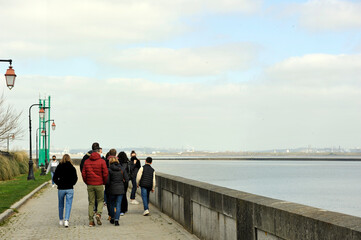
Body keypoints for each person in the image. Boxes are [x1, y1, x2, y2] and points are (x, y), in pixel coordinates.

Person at [82, 146, 108, 227]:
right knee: (100, 200)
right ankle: (98, 214)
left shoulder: (86, 161)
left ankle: (90, 221)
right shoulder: (102, 161)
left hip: (90, 184)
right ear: (98, 152)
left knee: (91, 202)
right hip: (99, 184)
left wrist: (87, 182)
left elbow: (83, 174)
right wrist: (104, 182)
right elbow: (105, 173)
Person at [53, 154, 78, 228]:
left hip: (61, 188)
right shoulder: (72, 167)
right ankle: (66, 220)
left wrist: (58, 183)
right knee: (68, 204)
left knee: (61, 204)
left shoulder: (59, 166)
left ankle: (61, 219)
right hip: (69, 188)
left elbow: (55, 177)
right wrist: (72, 184)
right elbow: (75, 178)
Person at [107, 157, 129, 226]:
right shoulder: (122, 169)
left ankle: (112, 218)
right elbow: (127, 179)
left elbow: (107, 181)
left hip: (112, 189)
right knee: (118, 204)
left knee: (112, 204)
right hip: (120, 189)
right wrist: (123, 185)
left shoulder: (109, 170)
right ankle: (117, 220)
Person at [117, 151, 130, 216]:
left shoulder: (119, 164)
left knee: (120, 195)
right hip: (126, 181)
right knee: (124, 195)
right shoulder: (128, 163)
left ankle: (121, 209)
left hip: (120, 181)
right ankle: (125, 208)